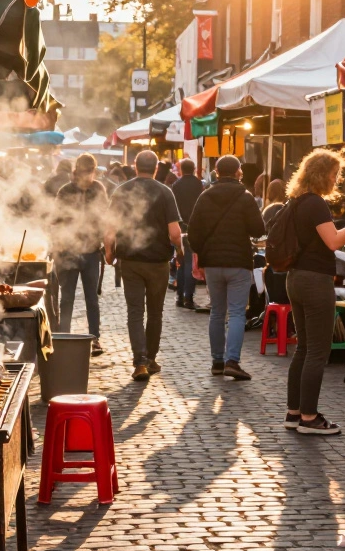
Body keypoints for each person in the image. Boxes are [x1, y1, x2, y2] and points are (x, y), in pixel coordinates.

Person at [282, 149, 345, 434]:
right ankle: (309, 418)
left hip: (296, 277)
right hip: (314, 280)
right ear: (322, 174)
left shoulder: (296, 201)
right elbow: (333, 242)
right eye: (335, 174)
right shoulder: (316, 204)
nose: (337, 180)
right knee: (317, 352)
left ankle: (294, 412)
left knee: (305, 348)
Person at [106, 150, 183, 381]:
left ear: (135, 166)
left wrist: (109, 252)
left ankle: (139, 362)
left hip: (130, 261)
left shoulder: (121, 191)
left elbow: (109, 230)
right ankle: (150, 359)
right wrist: (180, 251)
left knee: (135, 312)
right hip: (158, 262)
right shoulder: (165, 192)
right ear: (157, 168)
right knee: (155, 313)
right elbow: (174, 232)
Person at [189, 155, 265, 380]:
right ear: (238, 172)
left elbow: (193, 233)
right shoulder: (245, 197)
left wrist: (203, 254)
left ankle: (217, 362)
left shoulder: (204, 197)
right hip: (238, 263)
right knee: (237, 313)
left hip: (212, 263)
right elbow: (258, 229)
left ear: (217, 172)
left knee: (217, 312)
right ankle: (233, 361)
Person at [54, 153, 108, 356]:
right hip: (68, 250)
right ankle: (63, 338)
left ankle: (94, 338)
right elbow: (56, 219)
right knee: (67, 298)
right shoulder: (65, 190)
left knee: (91, 298)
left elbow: (105, 215)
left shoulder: (98, 189)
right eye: (87, 172)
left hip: (91, 251)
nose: (89, 176)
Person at [172, 159, 204, 310]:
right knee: (192, 263)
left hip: (179, 228)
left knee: (181, 262)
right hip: (195, 227)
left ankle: (179, 296)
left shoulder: (176, 185)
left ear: (181, 169)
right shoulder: (198, 184)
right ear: (194, 168)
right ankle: (188, 297)